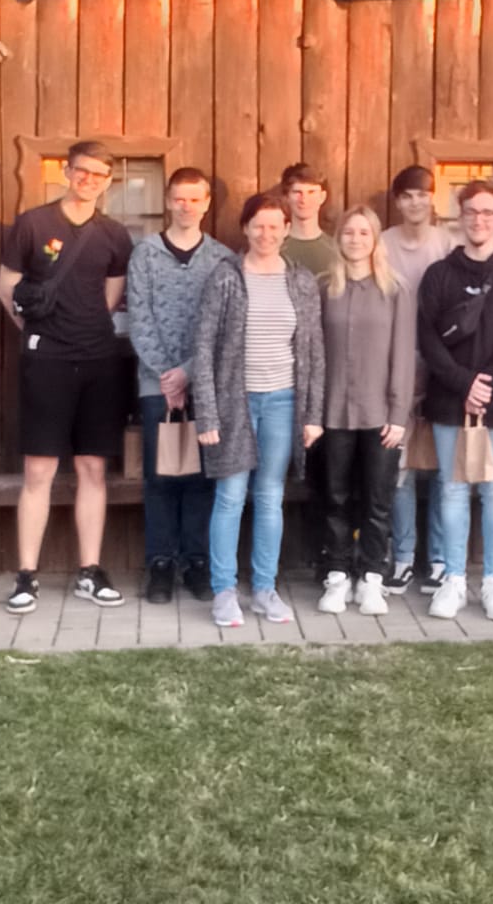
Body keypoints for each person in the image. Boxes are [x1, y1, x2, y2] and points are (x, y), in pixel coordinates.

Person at [0, 140, 133, 614]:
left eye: (99, 174)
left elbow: (110, 298)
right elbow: (6, 289)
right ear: (67, 172)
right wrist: (40, 334)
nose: (89, 180)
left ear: (108, 181)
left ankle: (89, 572)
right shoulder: (33, 224)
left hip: (98, 361)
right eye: (82, 171)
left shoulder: (114, 235)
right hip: (46, 361)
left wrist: (81, 329)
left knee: (93, 469)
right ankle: (26, 576)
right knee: (39, 471)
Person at [192, 192, 327, 628]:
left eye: (274, 226)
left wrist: (313, 414)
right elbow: (204, 347)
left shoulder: (301, 281)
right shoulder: (225, 277)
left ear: (286, 230)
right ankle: (224, 591)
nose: (266, 234)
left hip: (284, 402)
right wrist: (207, 414)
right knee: (230, 496)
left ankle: (265, 589)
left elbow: (314, 351)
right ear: (245, 229)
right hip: (235, 402)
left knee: (270, 497)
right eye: (258, 226)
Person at [416, 180, 493, 622]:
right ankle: (453, 580)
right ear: (460, 217)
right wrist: (464, 383)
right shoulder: (439, 275)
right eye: (471, 212)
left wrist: (485, 386)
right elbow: (428, 339)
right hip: (450, 398)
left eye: (488, 212)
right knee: (452, 488)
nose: (479, 220)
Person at [126, 167, 237, 604]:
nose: (186, 206)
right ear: (168, 201)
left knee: (200, 477)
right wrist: (168, 375)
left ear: (206, 204)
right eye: (179, 198)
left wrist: (190, 373)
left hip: (207, 385)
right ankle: (160, 563)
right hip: (156, 386)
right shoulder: (145, 255)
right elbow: (139, 318)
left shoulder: (223, 259)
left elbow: (227, 325)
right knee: (161, 477)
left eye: (195, 199)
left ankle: (196, 561)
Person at [314, 206, 416, 616]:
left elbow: (404, 356)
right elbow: (314, 353)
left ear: (375, 240)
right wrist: (313, 411)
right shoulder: (325, 288)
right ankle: (338, 575)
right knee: (336, 498)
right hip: (333, 412)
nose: (355, 240)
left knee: (378, 500)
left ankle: (372, 577)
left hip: (381, 414)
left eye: (363, 233)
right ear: (338, 239)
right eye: (348, 233)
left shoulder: (395, 290)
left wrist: (399, 414)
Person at [381, 165, 456, 593]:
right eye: (407, 195)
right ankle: (404, 557)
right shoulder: (382, 243)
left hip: (443, 367)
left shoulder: (448, 244)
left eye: (422, 195)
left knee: (444, 468)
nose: (415, 202)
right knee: (401, 467)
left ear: (433, 199)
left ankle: (440, 559)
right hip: (395, 369)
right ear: (397, 201)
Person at [277, 162, 341, 276]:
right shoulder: (275, 248)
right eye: (297, 192)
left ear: (322, 197)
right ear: (286, 197)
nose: (304, 200)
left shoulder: (336, 250)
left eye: (311, 192)